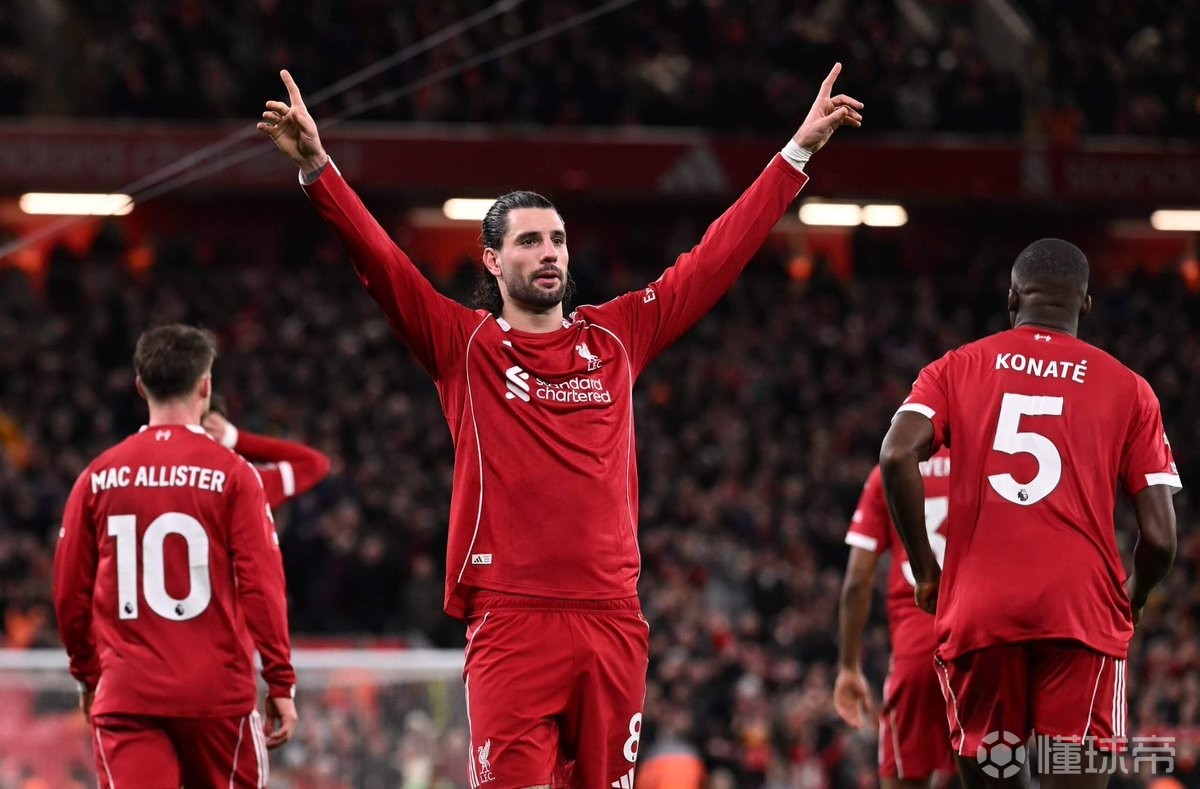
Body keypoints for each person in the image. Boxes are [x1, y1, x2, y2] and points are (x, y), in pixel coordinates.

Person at [257, 64, 862, 789]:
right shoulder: (464, 345)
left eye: (557, 240)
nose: (549, 252)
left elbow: (712, 261)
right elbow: (383, 264)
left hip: (612, 619)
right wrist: (318, 169)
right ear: (491, 259)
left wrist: (795, 153)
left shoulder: (618, 336)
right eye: (529, 242)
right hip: (512, 621)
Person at [879, 239, 1180, 789]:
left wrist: (926, 571)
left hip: (980, 608)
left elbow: (897, 454)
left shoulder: (955, 367)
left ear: (1013, 298)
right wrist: (1132, 598)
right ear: (1085, 304)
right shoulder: (1130, 389)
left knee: (996, 771)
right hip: (1081, 611)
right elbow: (1160, 538)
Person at [53, 324, 298, 788]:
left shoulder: (97, 476)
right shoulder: (234, 475)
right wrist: (280, 681)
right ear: (206, 386)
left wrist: (87, 676)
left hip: (128, 697)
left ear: (140, 386)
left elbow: (69, 593)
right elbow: (262, 586)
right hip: (217, 698)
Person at [835, 448, 955, 789]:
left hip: (917, 655)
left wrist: (848, 665)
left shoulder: (887, 473)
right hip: (980, 641)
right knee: (995, 767)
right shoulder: (980, 462)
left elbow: (857, 582)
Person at [202, 408, 331, 508]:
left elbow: (316, 463)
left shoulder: (245, 482)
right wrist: (234, 438)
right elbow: (315, 463)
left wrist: (234, 438)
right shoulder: (246, 483)